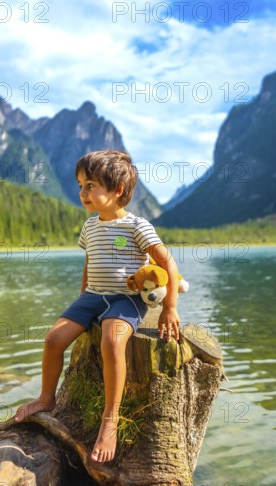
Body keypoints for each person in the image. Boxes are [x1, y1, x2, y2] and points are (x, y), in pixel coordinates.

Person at [15, 150, 180, 463]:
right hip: (92, 296)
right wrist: (81, 304)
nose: (82, 193)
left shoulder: (137, 226)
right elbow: (89, 263)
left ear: (117, 190)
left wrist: (170, 306)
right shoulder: (90, 227)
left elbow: (167, 262)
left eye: (90, 185)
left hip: (126, 299)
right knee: (53, 340)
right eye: (80, 185)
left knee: (112, 340)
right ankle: (46, 398)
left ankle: (110, 419)